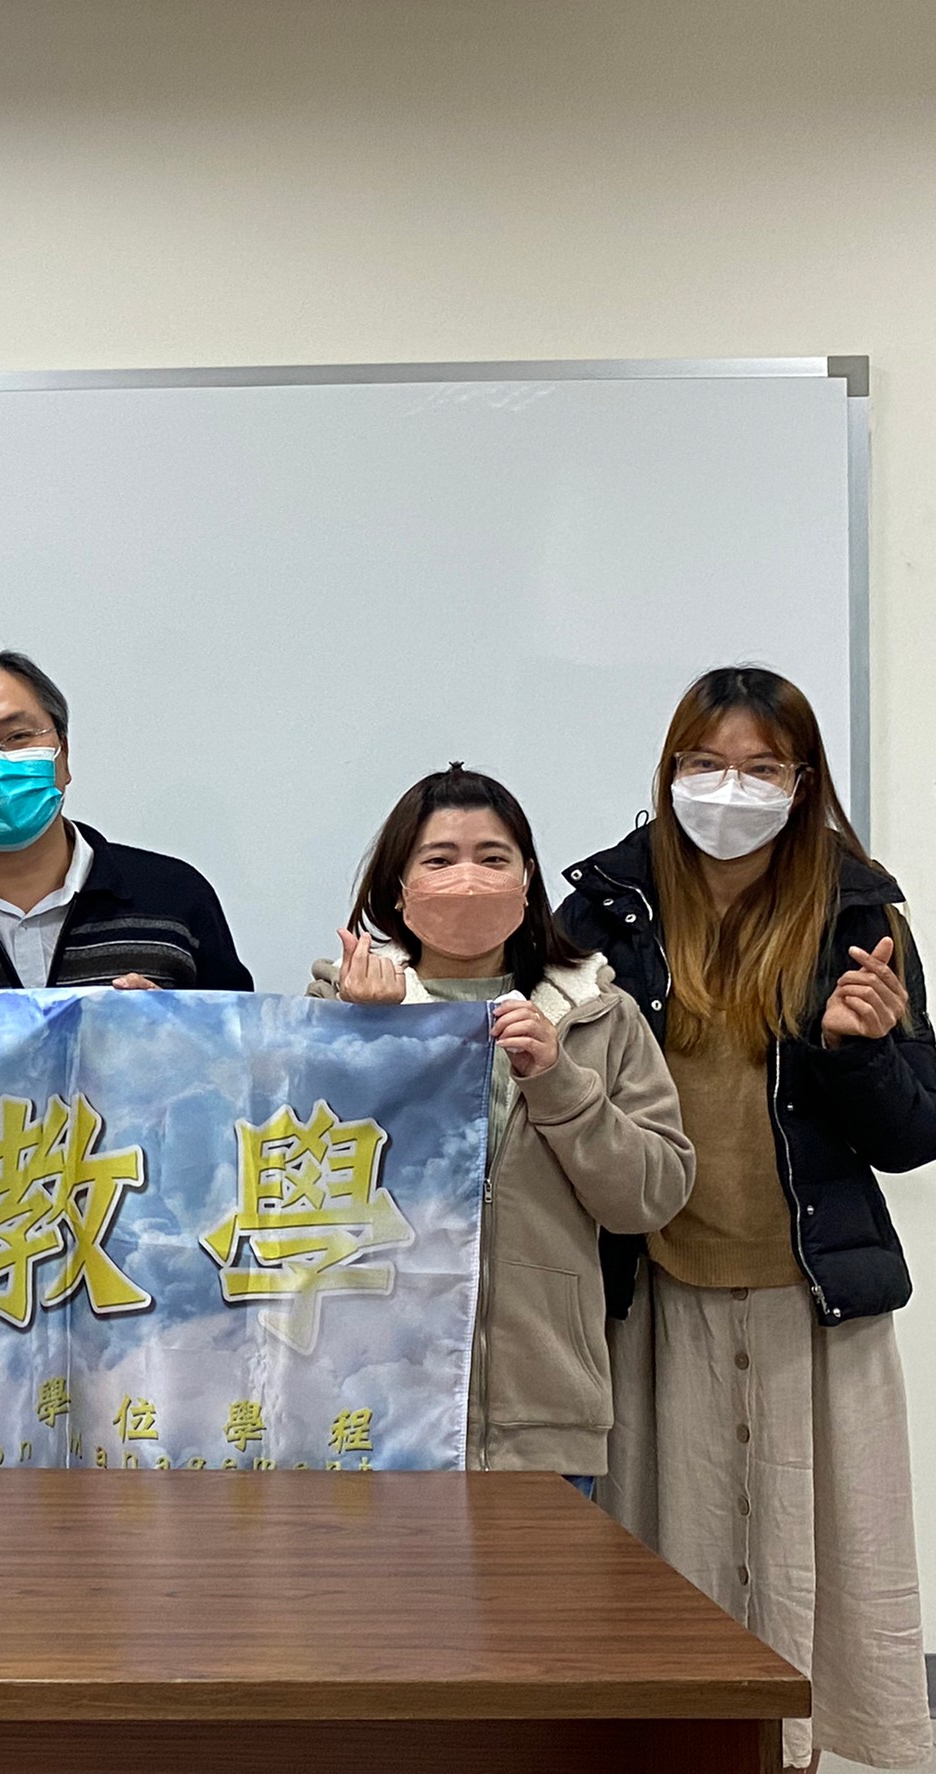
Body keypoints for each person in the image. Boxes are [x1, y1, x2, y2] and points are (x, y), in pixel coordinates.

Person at [560, 667, 935, 1770]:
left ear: (802, 781)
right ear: (669, 770)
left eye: (761, 768)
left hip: (811, 1292)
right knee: (660, 1557)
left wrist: (861, 1051)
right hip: (651, 1287)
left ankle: (802, 1752)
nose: (730, 789)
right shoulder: (605, 907)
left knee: (820, 1560)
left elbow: (913, 1131)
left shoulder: (859, 912)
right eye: (705, 763)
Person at [312, 765, 692, 1486]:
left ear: (527, 881)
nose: (468, 880)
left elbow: (652, 1196)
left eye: (492, 858)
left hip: (540, 1418)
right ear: (399, 888)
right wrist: (366, 1043)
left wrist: (558, 1082)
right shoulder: (334, 1012)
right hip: (371, 1411)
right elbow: (290, 1189)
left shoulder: (597, 1014)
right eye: (439, 860)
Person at [0, 646, 252, 994]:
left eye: (18, 737)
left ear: (63, 755)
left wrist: (176, 1030)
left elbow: (240, 1050)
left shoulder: (175, 896)